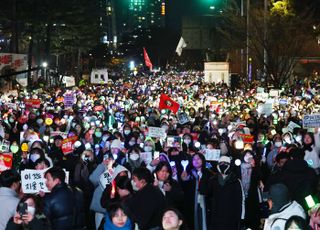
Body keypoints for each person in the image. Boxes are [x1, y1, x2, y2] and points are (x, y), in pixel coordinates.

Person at [200, 156, 244, 230]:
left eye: (226, 163)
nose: (223, 165)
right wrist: (204, 175)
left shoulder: (235, 181)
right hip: (216, 215)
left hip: (231, 216)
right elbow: (205, 191)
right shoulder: (212, 179)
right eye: (221, 163)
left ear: (229, 165)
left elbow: (240, 200)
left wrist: (241, 217)